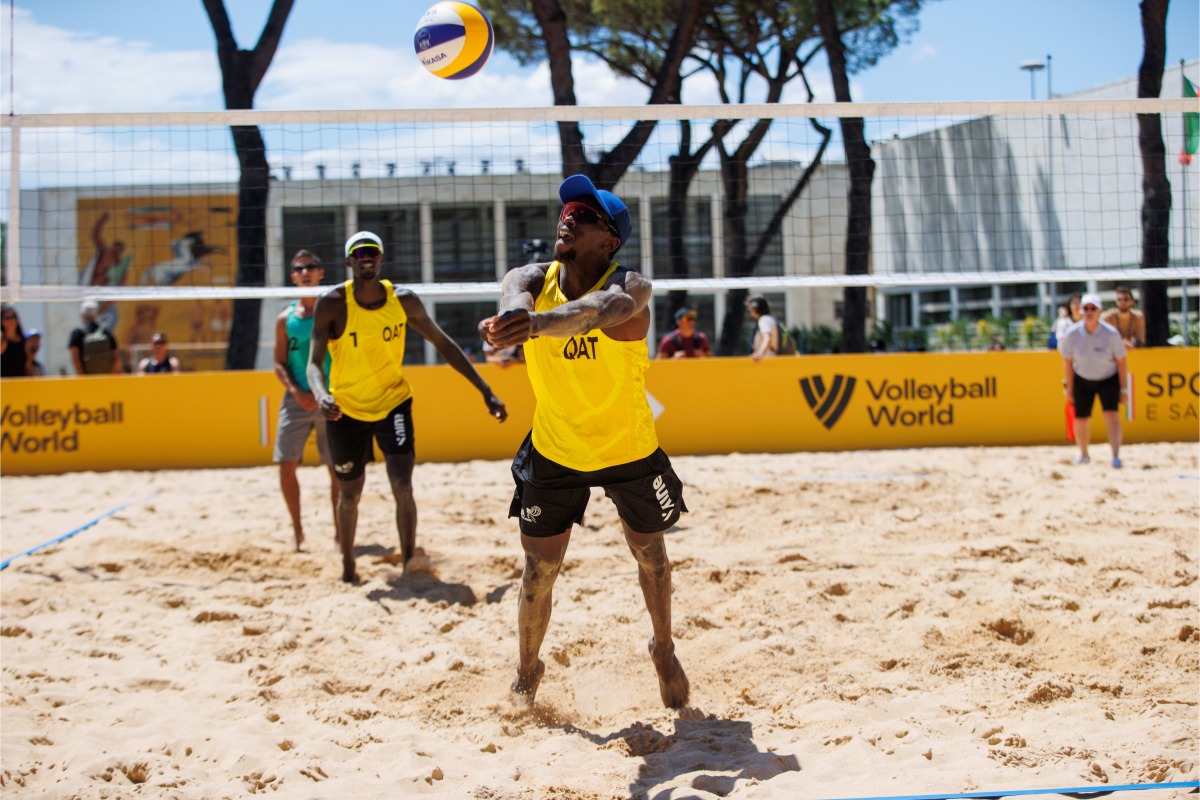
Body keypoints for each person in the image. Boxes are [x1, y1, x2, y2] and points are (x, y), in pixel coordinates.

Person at [479, 174, 690, 710]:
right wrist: (510, 321)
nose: (567, 215)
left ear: (610, 240)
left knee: (652, 559)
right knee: (538, 572)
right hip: (556, 449)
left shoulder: (633, 287)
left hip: (628, 449)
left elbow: (595, 312)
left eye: (585, 214)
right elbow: (514, 296)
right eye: (567, 209)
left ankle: (662, 648)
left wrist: (534, 324)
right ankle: (527, 668)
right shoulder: (529, 275)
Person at [309, 231, 508, 583]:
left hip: (393, 403)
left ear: (381, 259)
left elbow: (445, 345)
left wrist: (485, 389)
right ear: (348, 262)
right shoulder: (333, 302)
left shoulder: (403, 300)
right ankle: (348, 566)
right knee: (350, 493)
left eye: (372, 251)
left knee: (402, 485)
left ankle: (408, 565)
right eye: (359, 253)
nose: (366, 256)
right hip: (346, 409)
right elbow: (313, 363)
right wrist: (321, 394)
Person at [274, 250, 340, 553]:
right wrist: (298, 392)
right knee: (286, 465)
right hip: (297, 398)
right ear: (293, 277)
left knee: (337, 470)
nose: (306, 272)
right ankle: (297, 532)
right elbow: (278, 363)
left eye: (311, 267)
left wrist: (329, 393)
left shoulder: (335, 311)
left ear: (321, 273)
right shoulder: (284, 319)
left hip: (331, 399)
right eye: (300, 268)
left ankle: (341, 535)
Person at [1059, 293, 1127, 469]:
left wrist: (1124, 389)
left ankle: (1115, 456)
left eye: (1093, 308)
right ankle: (1083, 455)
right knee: (1080, 419)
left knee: (1111, 416)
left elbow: (1121, 361)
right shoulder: (1072, 333)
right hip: (1082, 378)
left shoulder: (1110, 333)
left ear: (1099, 311)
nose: (1089, 311)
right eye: (1086, 308)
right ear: (1081, 310)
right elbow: (1067, 362)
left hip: (1108, 378)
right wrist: (1069, 387)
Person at [68, 300, 122, 375]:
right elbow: (116, 358)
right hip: (105, 379)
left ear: (81, 314)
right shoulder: (105, 333)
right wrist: (109, 375)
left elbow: (75, 358)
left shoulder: (77, 333)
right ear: (96, 314)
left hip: (87, 379)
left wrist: (82, 377)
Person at [0, 304, 33, 377]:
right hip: (4, 383)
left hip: (21, 382)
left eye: (14, 317)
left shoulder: (24, 341)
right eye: (7, 318)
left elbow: (28, 365)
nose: (12, 320)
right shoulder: (2, 339)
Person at [746, 294, 780, 360]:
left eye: (750, 309)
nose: (750, 312)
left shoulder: (764, 320)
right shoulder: (769, 319)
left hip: (765, 359)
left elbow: (767, 338)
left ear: (755, 308)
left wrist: (759, 354)